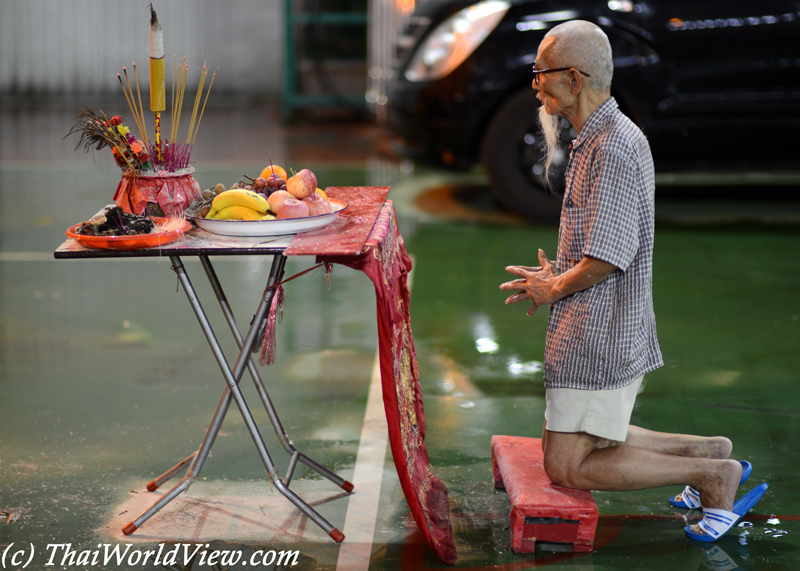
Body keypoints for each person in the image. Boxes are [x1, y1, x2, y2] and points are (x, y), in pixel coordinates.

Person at [499, 20, 766, 542]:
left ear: (573, 78)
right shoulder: (595, 138)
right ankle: (707, 451)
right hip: (597, 322)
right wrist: (557, 273)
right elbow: (600, 245)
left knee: (568, 464)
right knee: (592, 436)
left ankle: (712, 477)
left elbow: (607, 258)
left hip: (599, 332)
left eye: (541, 73)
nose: (535, 84)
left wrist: (554, 288)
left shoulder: (614, 148)